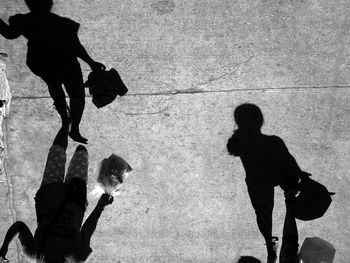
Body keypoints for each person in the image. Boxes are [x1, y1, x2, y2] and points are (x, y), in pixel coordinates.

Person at [0, 117, 113, 263]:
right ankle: (68, 126)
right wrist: (100, 206)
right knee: (81, 151)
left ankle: (66, 124)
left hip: (50, 191)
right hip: (75, 196)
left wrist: (5, 245)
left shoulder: (34, 253)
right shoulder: (77, 258)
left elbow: (19, 226)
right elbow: (86, 231)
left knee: (57, 151)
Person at [0, 0, 106, 144]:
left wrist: (91, 63)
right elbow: (76, 46)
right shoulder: (62, 22)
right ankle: (71, 126)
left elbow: (9, 33)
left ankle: (67, 121)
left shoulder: (26, 20)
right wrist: (91, 62)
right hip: (64, 63)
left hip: (45, 63)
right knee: (75, 96)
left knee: (59, 91)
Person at [227, 103, 304, 263]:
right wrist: (302, 178)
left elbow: (233, 146)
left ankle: (270, 244)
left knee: (263, 215)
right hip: (275, 177)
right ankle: (289, 201)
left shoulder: (238, 143)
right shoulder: (274, 142)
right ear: (260, 121)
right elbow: (290, 163)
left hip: (257, 183)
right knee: (290, 196)